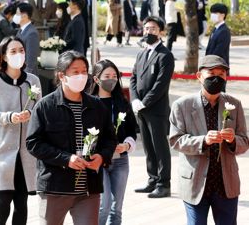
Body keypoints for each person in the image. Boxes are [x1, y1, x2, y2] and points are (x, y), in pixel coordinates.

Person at [26, 50, 117, 225]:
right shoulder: (45, 106)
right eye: (75, 72)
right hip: (55, 187)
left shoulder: (96, 106)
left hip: (88, 189)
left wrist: (102, 157)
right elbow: (33, 143)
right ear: (62, 75)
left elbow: (110, 139)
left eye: (84, 71)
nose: (81, 76)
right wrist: (66, 159)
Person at [169, 55, 248, 225]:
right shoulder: (182, 105)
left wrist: (233, 140)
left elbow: (244, 142)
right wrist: (203, 141)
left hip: (226, 183)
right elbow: (175, 140)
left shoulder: (234, 104)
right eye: (211, 73)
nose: (216, 78)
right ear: (199, 76)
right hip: (195, 182)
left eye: (221, 74)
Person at [0, 36, 40, 225]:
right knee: (3, 197)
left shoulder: (33, 80)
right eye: (13, 51)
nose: (18, 55)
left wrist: (30, 114)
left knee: (22, 201)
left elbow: (40, 111)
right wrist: (9, 117)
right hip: (1, 149)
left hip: (26, 152)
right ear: (4, 56)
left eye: (21, 50)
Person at [130, 16, 175, 198]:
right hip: (140, 109)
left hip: (156, 109)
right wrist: (134, 99)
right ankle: (152, 179)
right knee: (148, 146)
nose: (149, 32)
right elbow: (133, 78)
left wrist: (145, 102)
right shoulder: (141, 53)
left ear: (161, 32)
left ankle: (164, 183)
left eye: (154, 29)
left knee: (160, 147)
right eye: (147, 28)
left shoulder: (165, 55)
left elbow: (161, 84)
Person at [89, 60, 138, 225]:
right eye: (107, 76)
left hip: (120, 161)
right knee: (104, 205)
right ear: (96, 79)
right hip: (99, 161)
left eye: (114, 76)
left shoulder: (122, 102)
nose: (111, 79)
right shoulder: (88, 103)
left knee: (116, 208)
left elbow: (132, 131)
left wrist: (127, 145)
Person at [14, 3, 39, 75]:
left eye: (17, 13)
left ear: (24, 16)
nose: (15, 16)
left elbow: (31, 58)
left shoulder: (32, 33)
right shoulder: (21, 30)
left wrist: (25, 75)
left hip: (27, 74)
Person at [205, 3, 231, 67]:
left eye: (215, 13)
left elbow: (219, 51)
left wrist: (209, 62)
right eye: (212, 13)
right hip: (211, 65)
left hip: (219, 67)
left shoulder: (224, 31)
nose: (212, 15)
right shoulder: (215, 29)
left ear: (223, 15)